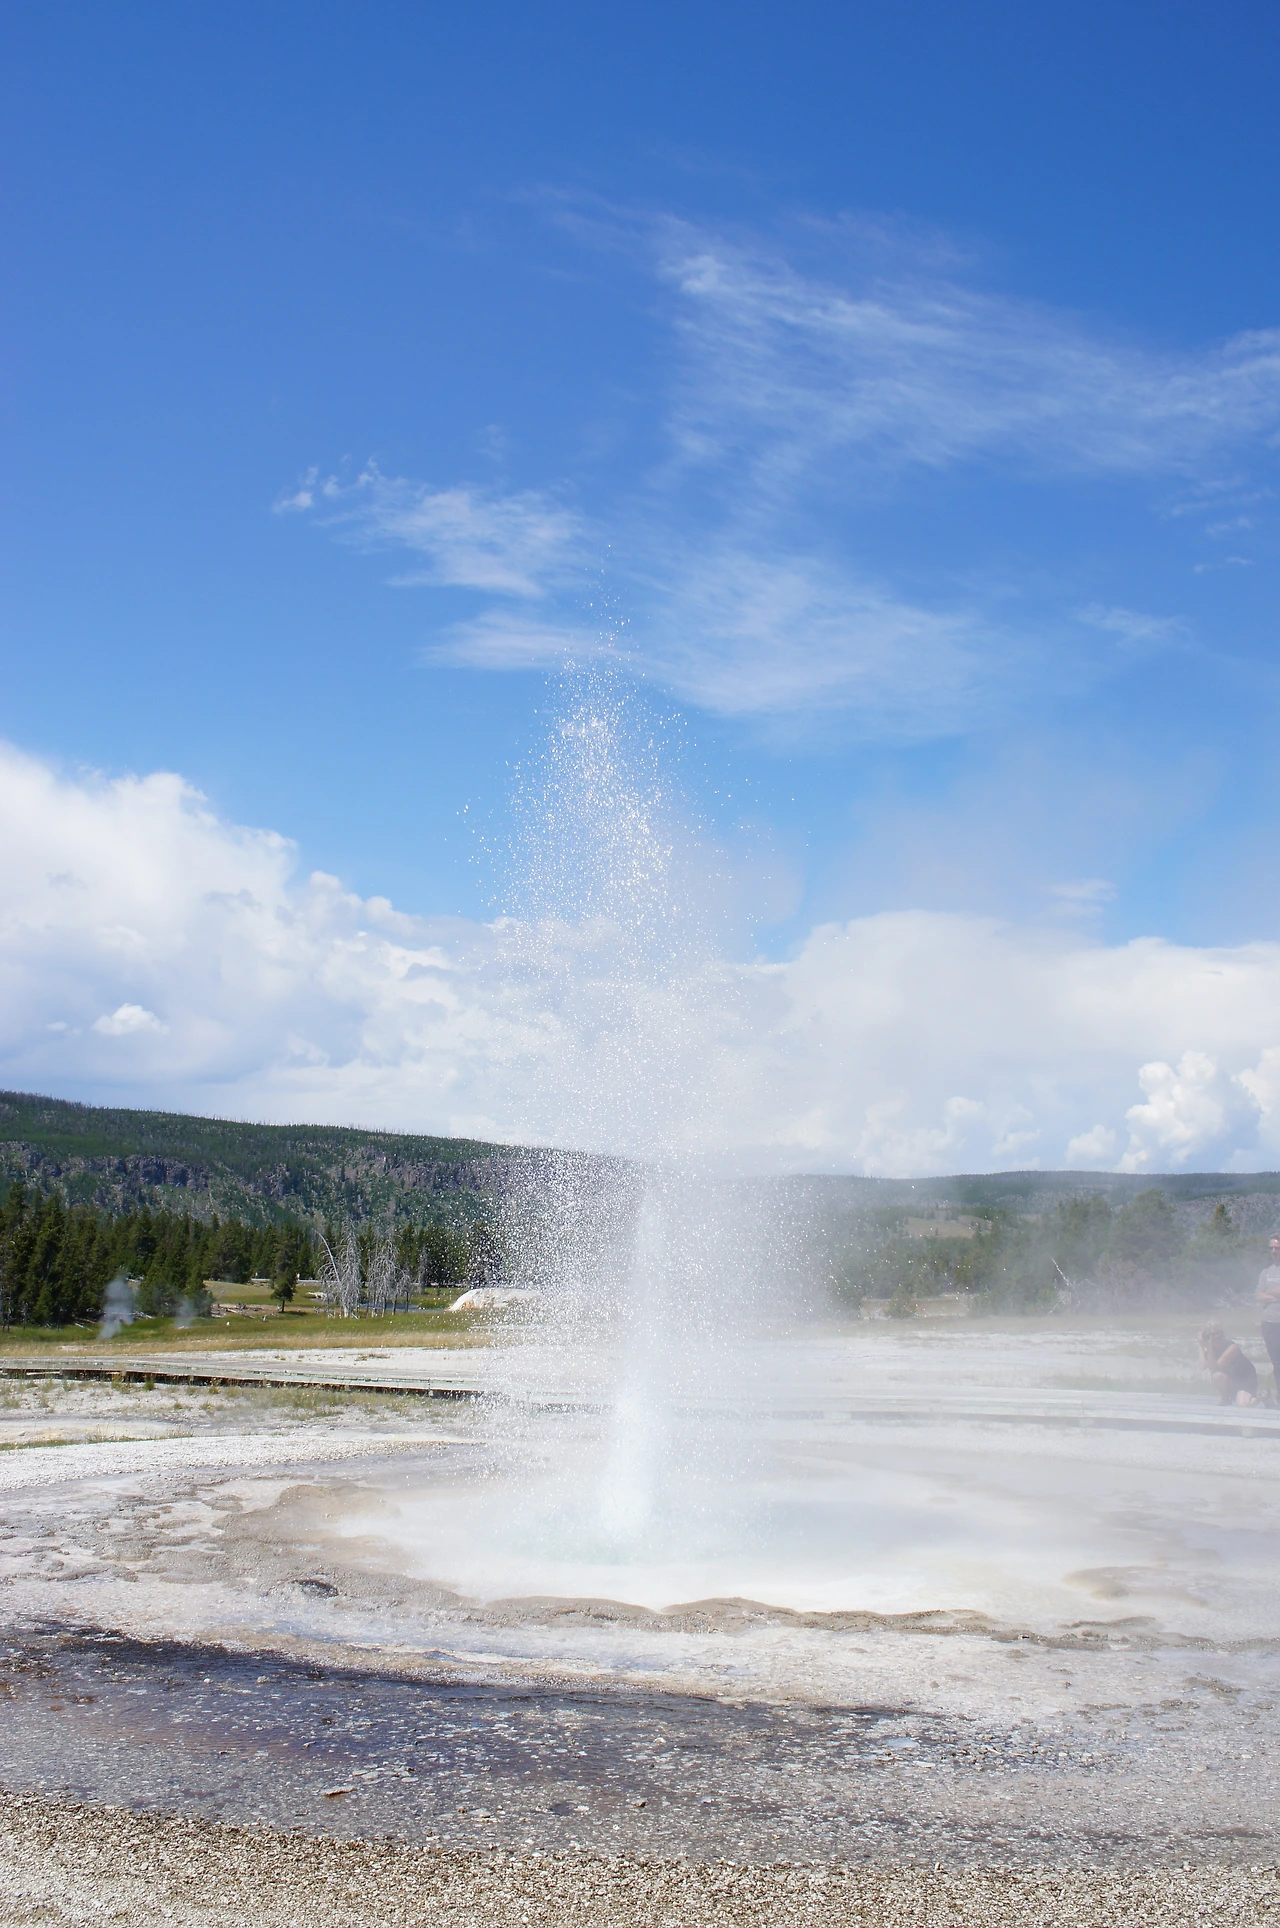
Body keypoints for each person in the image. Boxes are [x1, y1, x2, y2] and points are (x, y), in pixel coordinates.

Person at [1198, 1322, 1261, 1406]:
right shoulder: (1210, 1349)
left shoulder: (1232, 1347)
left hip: (1245, 1379)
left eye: (1218, 1334)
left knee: (1243, 1405)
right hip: (1231, 1379)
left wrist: (1209, 1350)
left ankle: (1262, 1396)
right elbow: (1202, 1366)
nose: (1215, 1337)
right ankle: (1226, 1398)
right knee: (1217, 1376)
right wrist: (1201, 1345)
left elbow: (1215, 1368)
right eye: (1211, 1335)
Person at [1257, 1236, 1280, 1393]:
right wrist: (1275, 1296)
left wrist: (1268, 1292)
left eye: (1277, 1248)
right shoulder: (1265, 1273)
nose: (1274, 1251)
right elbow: (1258, 1295)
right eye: (1271, 1248)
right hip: (1269, 1323)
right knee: (1276, 1362)